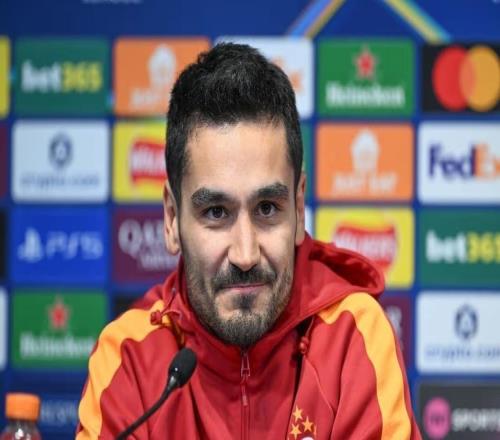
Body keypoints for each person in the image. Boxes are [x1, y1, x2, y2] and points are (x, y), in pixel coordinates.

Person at [77, 43, 421, 439]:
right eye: (216, 212)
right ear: (172, 219)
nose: (245, 254)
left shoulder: (354, 337)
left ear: (298, 208)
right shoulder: (129, 358)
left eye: (267, 209)